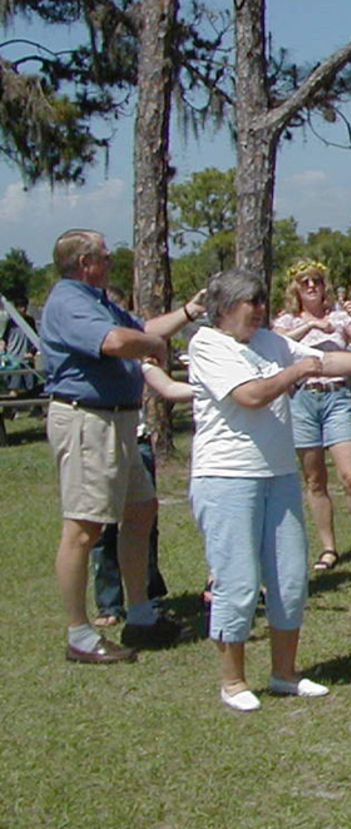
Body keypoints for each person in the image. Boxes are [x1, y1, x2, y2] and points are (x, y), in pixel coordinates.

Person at [187, 268, 351, 712]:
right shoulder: (208, 345)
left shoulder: (270, 342)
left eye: (260, 301)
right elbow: (251, 394)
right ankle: (233, 681)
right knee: (236, 582)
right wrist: (297, 369)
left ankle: (284, 673)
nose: (258, 310)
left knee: (290, 578)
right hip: (227, 477)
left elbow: (326, 360)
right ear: (223, 308)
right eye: (249, 303)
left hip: (277, 475)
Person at [41, 228, 202, 663]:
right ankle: (80, 634)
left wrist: (189, 311)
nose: (111, 262)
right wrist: (151, 347)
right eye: (106, 257)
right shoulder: (69, 301)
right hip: (87, 421)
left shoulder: (98, 302)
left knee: (140, 510)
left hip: (119, 422)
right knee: (84, 527)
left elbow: (143, 330)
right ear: (84, 263)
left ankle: (141, 615)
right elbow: (115, 342)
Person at [272, 259, 351, 571]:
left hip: (336, 397)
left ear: (325, 286)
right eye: (304, 282)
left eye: (317, 281)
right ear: (296, 289)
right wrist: (310, 325)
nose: (311, 286)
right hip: (302, 399)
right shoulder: (285, 322)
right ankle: (328, 547)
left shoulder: (338, 318)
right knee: (315, 480)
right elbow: (280, 347)